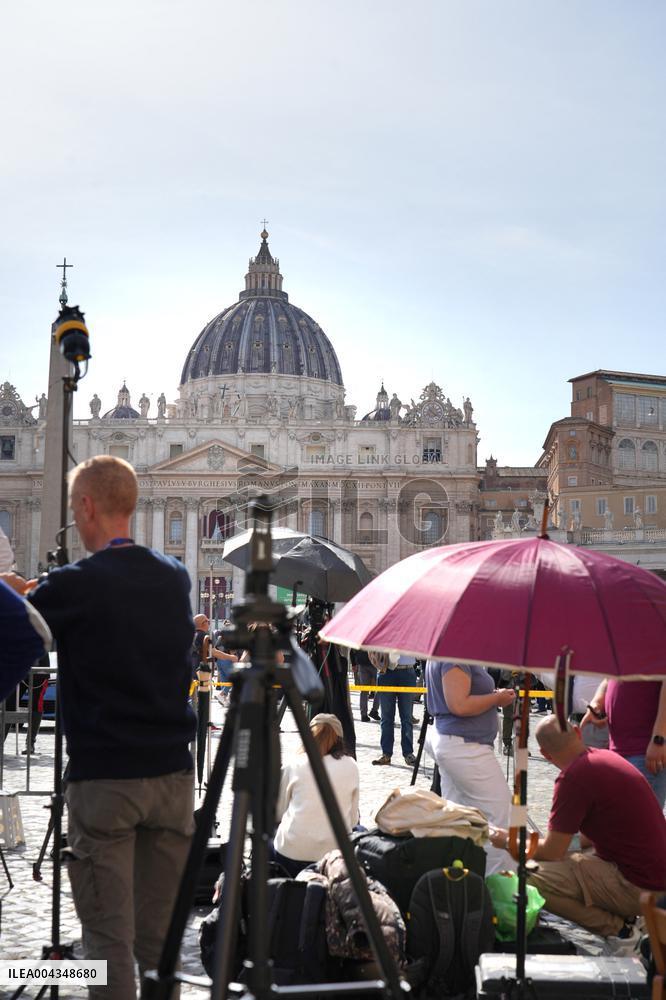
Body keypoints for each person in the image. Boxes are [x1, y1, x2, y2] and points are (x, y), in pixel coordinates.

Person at [4, 455, 196, 1000]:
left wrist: (16, 589)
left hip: (106, 779)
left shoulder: (74, 584)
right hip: (173, 778)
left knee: (108, 941)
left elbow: (19, 629)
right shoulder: (174, 575)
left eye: (72, 508)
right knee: (161, 943)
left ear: (86, 506)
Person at [490, 716, 666, 947]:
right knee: (566, 857)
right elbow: (575, 842)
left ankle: (619, 932)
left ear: (545, 754)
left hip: (640, 886)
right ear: (578, 732)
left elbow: (552, 851)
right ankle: (627, 922)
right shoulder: (604, 757)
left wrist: (506, 840)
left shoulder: (574, 777)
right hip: (654, 875)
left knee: (527, 876)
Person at [425, 659, 517, 874]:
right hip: (465, 747)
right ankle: (496, 885)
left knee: (459, 816)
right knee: (500, 817)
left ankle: (462, 879)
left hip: (456, 743)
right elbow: (459, 704)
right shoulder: (453, 652)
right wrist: (496, 698)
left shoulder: (444, 651)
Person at [271, 713, 360, 877]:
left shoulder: (295, 763)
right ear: (339, 738)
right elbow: (353, 820)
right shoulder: (351, 766)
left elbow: (279, 811)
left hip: (292, 853)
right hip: (333, 855)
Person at [581, 677, 666, 808]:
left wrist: (659, 738)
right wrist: (596, 703)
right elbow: (608, 677)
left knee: (640, 821)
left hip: (645, 750)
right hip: (615, 748)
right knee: (619, 818)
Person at [372, 652, 417, 767]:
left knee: (406, 717)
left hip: (407, 672)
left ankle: (408, 753)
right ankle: (386, 754)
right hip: (386, 671)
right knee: (386, 718)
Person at [350, 647, 376, 721]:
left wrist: (354, 664)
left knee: (364, 691)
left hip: (362, 663)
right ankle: (374, 711)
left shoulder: (361, 635)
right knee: (379, 689)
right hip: (374, 664)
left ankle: (364, 714)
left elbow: (352, 649)